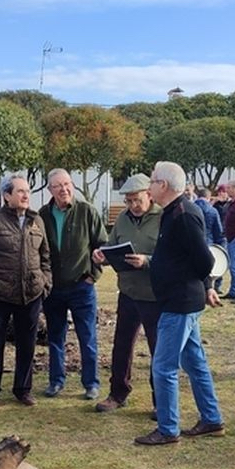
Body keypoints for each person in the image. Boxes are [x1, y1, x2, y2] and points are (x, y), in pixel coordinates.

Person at [134, 161, 224, 446]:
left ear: (163, 185)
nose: (148, 186)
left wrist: (201, 285)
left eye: (152, 181)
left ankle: (168, 428)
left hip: (180, 302)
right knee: (194, 362)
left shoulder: (183, 214)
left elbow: (206, 260)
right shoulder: (173, 212)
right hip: (179, 299)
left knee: (163, 367)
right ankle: (211, 418)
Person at [0, 174, 51, 409]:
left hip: (30, 294)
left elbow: (46, 256)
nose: (26, 195)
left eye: (27, 191)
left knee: (27, 344)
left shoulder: (37, 221)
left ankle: (23, 389)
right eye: (20, 191)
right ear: (7, 196)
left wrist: (45, 283)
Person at [91, 173, 163, 414]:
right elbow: (113, 246)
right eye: (128, 201)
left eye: (136, 200)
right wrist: (103, 256)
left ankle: (160, 401)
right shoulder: (122, 219)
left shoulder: (164, 217)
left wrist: (148, 261)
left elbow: (173, 257)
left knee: (158, 349)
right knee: (121, 345)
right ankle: (118, 393)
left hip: (155, 295)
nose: (132, 205)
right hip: (129, 292)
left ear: (149, 195)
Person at [38, 169, 107, 400]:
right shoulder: (43, 215)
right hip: (54, 288)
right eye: (58, 185)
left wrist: (93, 276)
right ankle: (56, 381)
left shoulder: (87, 211)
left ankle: (91, 383)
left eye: (67, 184)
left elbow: (102, 247)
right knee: (56, 337)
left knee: (87, 337)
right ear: (50, 190)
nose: (64, 189)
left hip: (81, 287)